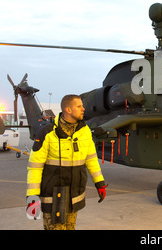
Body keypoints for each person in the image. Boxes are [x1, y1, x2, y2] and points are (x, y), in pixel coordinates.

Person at [26, 94, 107, 229]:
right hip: (52, 198)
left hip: (73, 198)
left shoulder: (84, 132)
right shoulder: (47, 133)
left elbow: (91, 159)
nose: (83, 109)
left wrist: (100, 183)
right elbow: (35, 167)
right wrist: (31, 196)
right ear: (68, 110)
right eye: (79, 106)